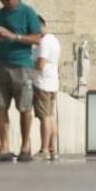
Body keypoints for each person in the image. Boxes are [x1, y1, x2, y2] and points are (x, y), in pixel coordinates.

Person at [0, 0, 43, 163]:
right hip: (1, 64)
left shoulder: (28, 12)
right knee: (0, 107)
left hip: (22, 65)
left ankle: (25, 147)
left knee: (25, 108)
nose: (4, 2)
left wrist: (14, 36)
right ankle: (4, 147)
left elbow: (37, 38)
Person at [33, 16, 60, 160]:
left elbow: (40, 64)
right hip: (52, 82)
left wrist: (28, 64)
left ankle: (44, 149)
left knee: (44, 117)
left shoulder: (44, 41)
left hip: (42, 83)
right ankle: (52, 148)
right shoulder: (54, 40)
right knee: (50, 116)